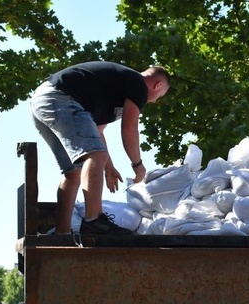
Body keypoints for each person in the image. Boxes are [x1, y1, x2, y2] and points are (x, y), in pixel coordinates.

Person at [31, 61, 171, 235]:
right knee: (94, 156)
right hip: (61, 97)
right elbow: (129, 128)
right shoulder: (138, 84)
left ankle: (62, 232)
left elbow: (96, 133)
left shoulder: (113, 89)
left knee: (73, 172)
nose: (155, 101)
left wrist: (109, 167)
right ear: (158, 86)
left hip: (43, 101)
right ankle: (94, 220)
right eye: (159, 96)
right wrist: (137, 165)